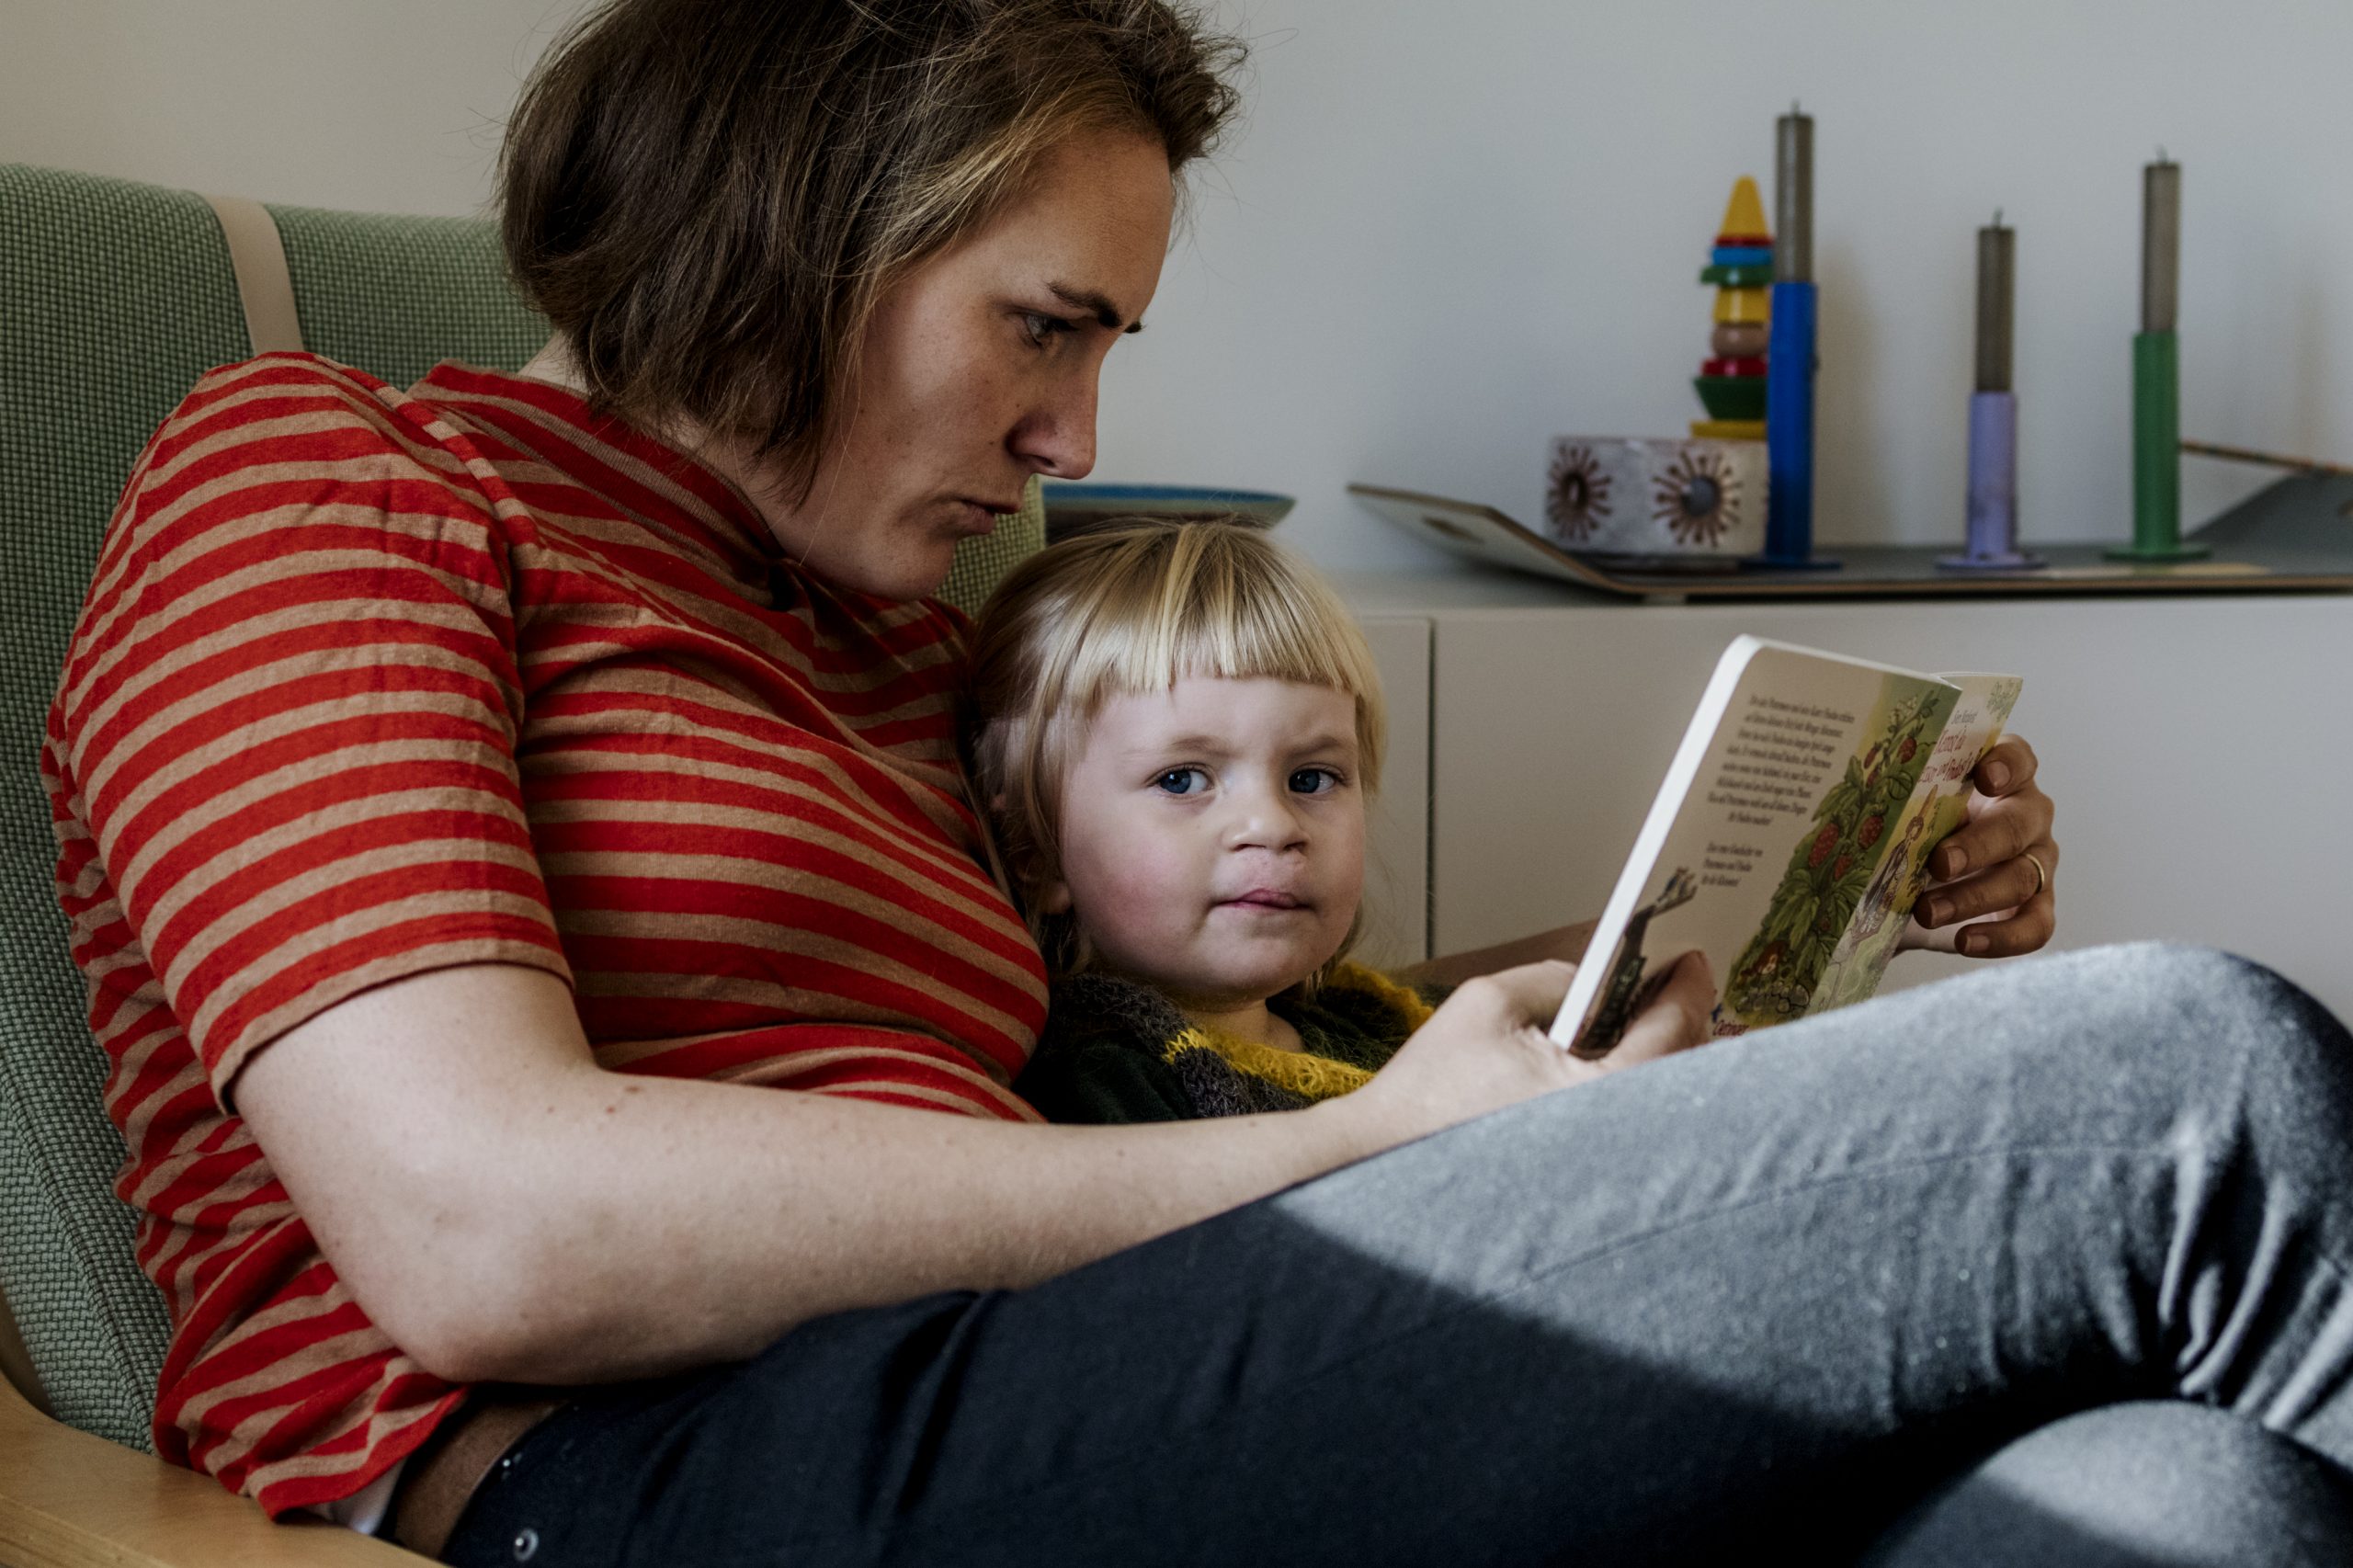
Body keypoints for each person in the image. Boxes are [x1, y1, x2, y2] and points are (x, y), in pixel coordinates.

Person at [40, 2, 2353, 1563]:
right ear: (785, 228)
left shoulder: (875, 635)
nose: (1075, 445)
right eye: (1039, 326)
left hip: (1042, 1375)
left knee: (2179, 1498)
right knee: (2184, 1079)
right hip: (639, 1472)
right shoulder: (329, 478)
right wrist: (1349, 1150)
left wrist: (1685, 944)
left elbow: (1186, 1025)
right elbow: (485, 1227)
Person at [967, 517, 1436, 1123]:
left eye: (1310, 779)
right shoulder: (1101, 1077)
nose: (1271, 825)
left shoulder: (1367, 1014)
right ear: (1035, 850)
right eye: (1181, 780)